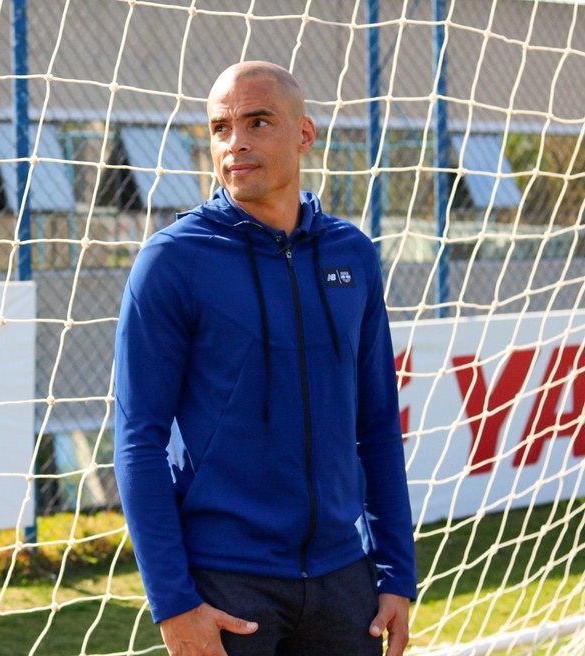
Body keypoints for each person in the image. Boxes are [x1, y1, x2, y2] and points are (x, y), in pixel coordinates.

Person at [113, 61, 417, 656]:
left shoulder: (351, 254)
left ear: (304, 134)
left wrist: (396, 574)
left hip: (343, 580)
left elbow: (377, 425)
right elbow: (136, 440)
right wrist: (173, 603)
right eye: (221, 127)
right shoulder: (173, 261)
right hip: (226, 585)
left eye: (257, 122)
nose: (236, 144)